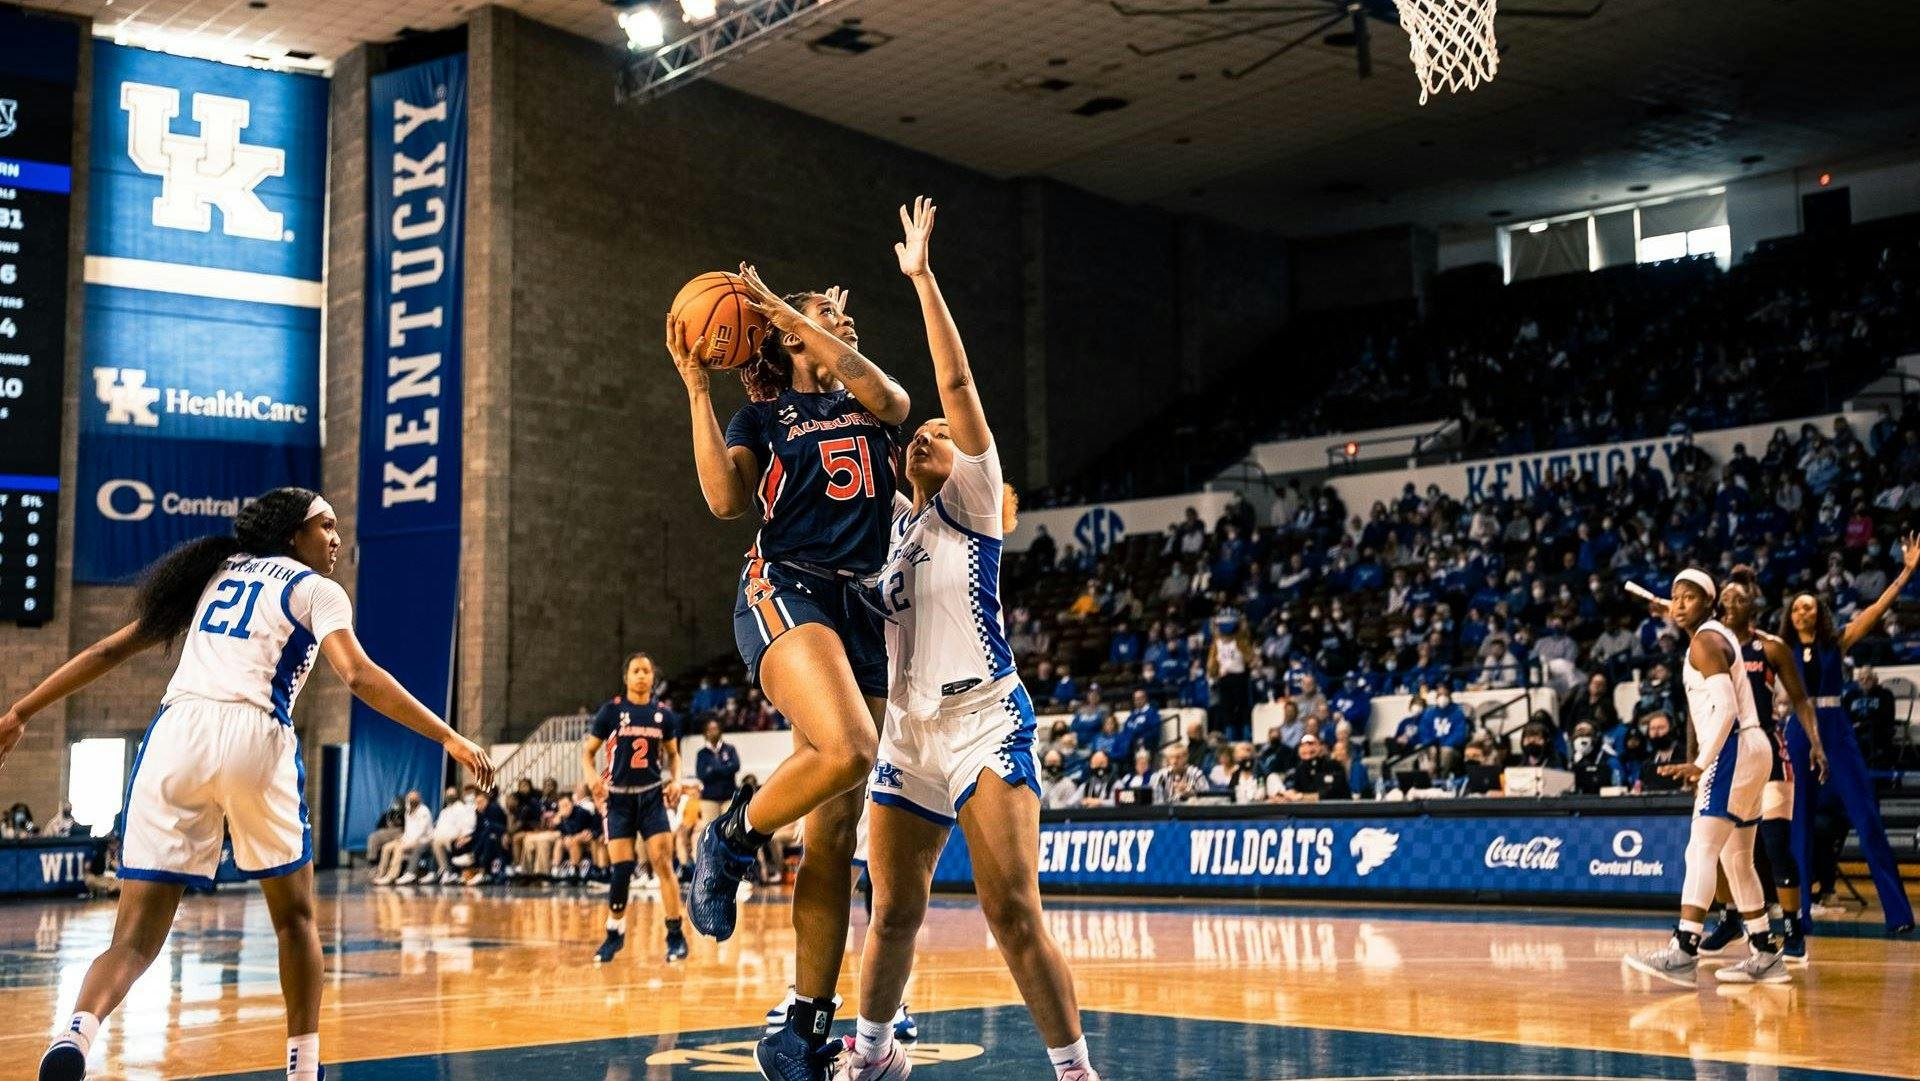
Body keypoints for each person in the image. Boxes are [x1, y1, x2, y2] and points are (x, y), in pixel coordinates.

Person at [0, 487, 491, 1081]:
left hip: (175, 735)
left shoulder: (212, 573)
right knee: (295, 920)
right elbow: (358, 675)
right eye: (326, 526)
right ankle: (302, 1070)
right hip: (254, 733)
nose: (335, 538)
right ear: (293, 535)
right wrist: (448, 738)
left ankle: (75, 1035)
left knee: (132, 940)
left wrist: (21, 712)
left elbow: (110, 648)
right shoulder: (316, 589)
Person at [841, 198, 1099, 1081]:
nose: (927, 433)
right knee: (891, 910)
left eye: (941, 438)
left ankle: (1074, 1072)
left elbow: (954, 389)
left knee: (1011, 912)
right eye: (923, 435)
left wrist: (921, 279)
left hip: (985, 719)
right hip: (908, 730)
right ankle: (872, 1054)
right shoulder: (894, 535)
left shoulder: (979, 503)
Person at [672, 248, 911, 1077]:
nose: (846, 326)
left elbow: (895, 395)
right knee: (850, 748)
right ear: (789, 338)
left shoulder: (870, 403)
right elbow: (724, 500)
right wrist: (700, 389)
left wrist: (799, 315)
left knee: (837, 829)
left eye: (842, 322)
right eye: (829, 321)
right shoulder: (764, 422)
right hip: (787, 588)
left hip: (864, 606)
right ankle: (729, 836)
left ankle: (800, 1025)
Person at [1625, 569, 1784, 988]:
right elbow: (1686, 612)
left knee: (1700, 850)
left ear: (1709, 603)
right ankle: (1766, 952)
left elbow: (1727, 710)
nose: (1678, 604)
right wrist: (1674, 607)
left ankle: (1683, 950)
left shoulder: (1704, 642)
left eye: (1689, 597)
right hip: (1755, 748)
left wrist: (1700, 762)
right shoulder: (1718, 634)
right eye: (1674, 597)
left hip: (1732, 747)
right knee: (1736, 859)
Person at [1779, 533, 1919, 934]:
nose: (1802, 611)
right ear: (1789, 616)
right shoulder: (1780, 649)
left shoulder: (1837, 641)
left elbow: (1877, 608)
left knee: (1867, 818)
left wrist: (1907, 571)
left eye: (1809, 606)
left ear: (1818, 611)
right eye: (1796, 608)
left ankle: (1898, 914)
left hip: (1837, 729)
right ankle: (1798, 915)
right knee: (1799, 824)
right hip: (1799, 733)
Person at [1692, 566, 1827, 962]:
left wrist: (1816, 744)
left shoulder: (1770, 647)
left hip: (1767, 750)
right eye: (1725, 599)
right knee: (1716, 845)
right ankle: (1730, 917)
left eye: (1738, 598)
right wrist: (1695, 759)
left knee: (1774, 844)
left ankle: (1793, 927)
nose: (1729, 604)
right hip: (1723, 752)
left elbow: (1801, 700)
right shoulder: (1711, 647)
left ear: (1753, 605)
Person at [581, 652, 688, 964]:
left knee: (662, 862)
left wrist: (677, 780)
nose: (642, 676)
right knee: (622, 869)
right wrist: (592, 779)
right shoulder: (611, 712)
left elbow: (673, 755)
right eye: (636, 671)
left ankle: (675, 934)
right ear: (626, 677)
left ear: (652, 678)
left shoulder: (663, 715)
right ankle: (614, 933)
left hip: (652, 796)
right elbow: (588, 753)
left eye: (646, 671)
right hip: (618, 799)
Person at [373, 791, 433, 884]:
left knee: (399, 849)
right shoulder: (408, 811)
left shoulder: (424, 811)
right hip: (407, 840)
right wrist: (402, 839)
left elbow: (421, 831)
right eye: (410, 798)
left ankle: (391, 876)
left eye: (414, 798)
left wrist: (408, 842)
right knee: (386, 847)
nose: (412, 800)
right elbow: (408, 830)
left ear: (419, 799)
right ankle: (381, 873)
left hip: (422, 841)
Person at [1272, 732, 1349, 802]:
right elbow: (1296, 790)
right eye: (1303, 745)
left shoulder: (1333, 765)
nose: (1307, 748)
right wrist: (1285, 796)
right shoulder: (1300, 768)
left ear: (1320, 746)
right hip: (1308, 813)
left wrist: (1301, 797)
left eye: (1311, 744)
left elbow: (1329, 794)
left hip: (1337, 812)